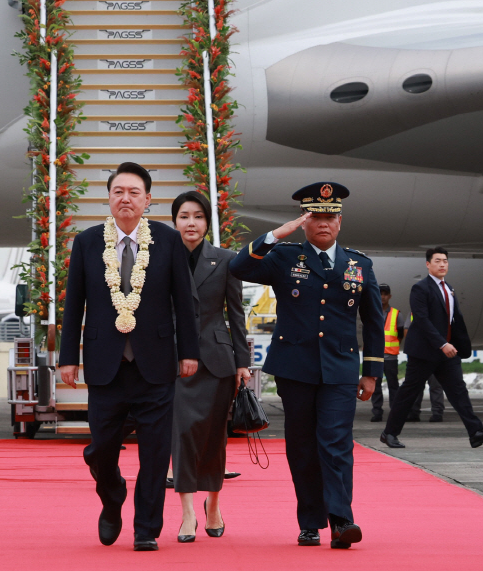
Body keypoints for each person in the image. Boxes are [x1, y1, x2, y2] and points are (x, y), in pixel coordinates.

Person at [230, 181, 386, 549]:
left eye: (331, 217)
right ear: (304, 220)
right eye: (316, 216)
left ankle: (342, 519)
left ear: (340, 222)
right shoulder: (284, 257)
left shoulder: (358, 264)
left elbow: (374, 322)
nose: (324, 223)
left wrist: (371, 372)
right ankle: (310, 521)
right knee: (301, 447)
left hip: (341, 371)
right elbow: (238, 267)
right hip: (295, 369)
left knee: (336, 443)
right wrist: (275, 234)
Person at [57, 162, 199, 552]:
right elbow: (74, 305)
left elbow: (184, 304)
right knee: (101, 448)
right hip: (106, 365)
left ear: (148, 200)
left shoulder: (168, 242)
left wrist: (189, 352)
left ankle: (146, 528)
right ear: (109, 198)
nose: (126, 198)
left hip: (155, 365)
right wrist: (68, 357)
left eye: (134, 192)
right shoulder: (86, 242)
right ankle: (111, 495)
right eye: (119, 191)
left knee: (155, 454)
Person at [168, 191, 250, 543]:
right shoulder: (160, 259)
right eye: (184, 216)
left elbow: (236, 314)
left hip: (217, 362)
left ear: (207, 222)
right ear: (174, 221)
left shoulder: (227, 260)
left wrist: (243, 363)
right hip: (173, 361)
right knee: (182, 435)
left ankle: (213, 504)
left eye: (198, 216)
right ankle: (187, 513)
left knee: (215, 438)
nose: (191, 223)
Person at [380, 247, 483, 451]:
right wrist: (442, 343)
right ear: (428, 264)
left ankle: (476, 433)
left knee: (458, 391)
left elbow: (455, 320)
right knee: (409, 393)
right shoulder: (420, 288)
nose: (442, 264)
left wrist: (458, 344)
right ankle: (389, 433)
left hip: (447, 353)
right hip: (424, 352)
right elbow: (422, 320)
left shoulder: (449, 288)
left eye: (445, 261)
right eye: (437, 261)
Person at [368, 284, 404, 423]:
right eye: (380, 293)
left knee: (393, 386)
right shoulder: (371, 312)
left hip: (390, 357)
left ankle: (394, 413)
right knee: (375, 387)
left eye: (385, 294)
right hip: (375, 356)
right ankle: (377, 412)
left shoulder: (396, 314)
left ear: (389, 296)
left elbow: (400, 334)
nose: (382, 297)